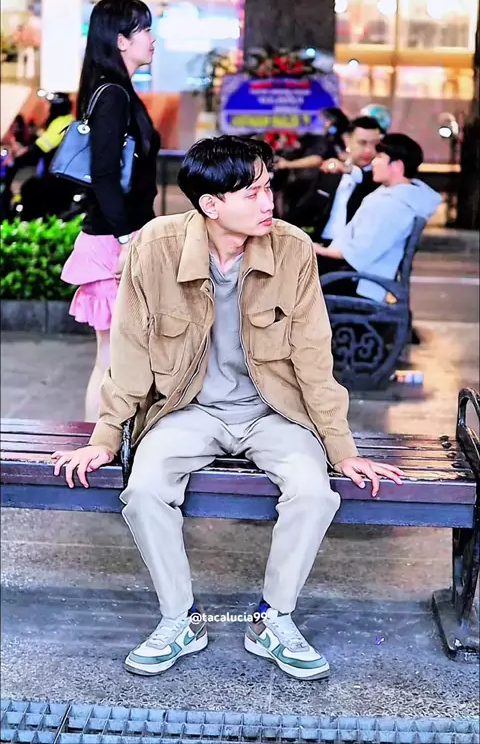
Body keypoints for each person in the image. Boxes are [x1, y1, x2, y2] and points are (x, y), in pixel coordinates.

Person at [52, 135, 403, 682]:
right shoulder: (155, 247)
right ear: (211, 204)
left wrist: (343, 449)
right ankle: (180, 619)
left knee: (314, 493)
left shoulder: (292, 248)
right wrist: (104, 437)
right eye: (253, 192)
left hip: (273, 410)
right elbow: (130, 352)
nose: (269, 202)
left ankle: (272, 620)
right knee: (144, 490)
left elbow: (314, 357)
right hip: (187, 408)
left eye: (268, 187)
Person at [60, 0, 160, 421]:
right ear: (121, 40)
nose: (152, 39)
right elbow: (104, 175)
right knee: (112, 359)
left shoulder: (116, 90)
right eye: (145, 30)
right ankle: (95, 444)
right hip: (113, 242)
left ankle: (108, 443)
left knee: (121, 358)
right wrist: (126, 239)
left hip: (120, 237)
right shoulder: (114, 95)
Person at [315, 134, 442, 301]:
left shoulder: (395, 204)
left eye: (380, 157)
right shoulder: (398, 197)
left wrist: (318, 250)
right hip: (355, 276)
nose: (373, 162)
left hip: (358, 283)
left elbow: (358, 254)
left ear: (397, 166)